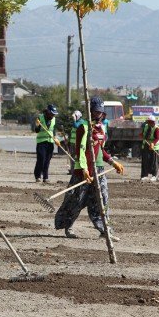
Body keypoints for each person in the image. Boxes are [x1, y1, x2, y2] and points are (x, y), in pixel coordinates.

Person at [55, 97, 124, 239]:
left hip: (98, 170)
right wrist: (85, 169)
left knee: (101, 199)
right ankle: (68, 227)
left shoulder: (101, 128)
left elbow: (100, 151)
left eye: (100, 112)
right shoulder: (83, 127)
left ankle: (105, 230)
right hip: (83, 171)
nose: (98, 115)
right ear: (90, 111)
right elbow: (79, 150)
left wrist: (112, 162)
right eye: (95, 111)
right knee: (76, 200)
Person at [34, 104, 61, 183]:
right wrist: (38, 125)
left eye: (54, 114)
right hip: (41, 142)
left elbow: (53, 130)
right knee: (41, 159)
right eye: (52, 113)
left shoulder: (53, 119)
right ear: (48, 112)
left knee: (47, 160)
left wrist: (55, 138)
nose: (53, 115)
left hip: (50, 142)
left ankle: (45, 177)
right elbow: (36, 130)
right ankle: (38, 176)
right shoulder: (40, 117)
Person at [140, 114, 159, 181]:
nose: (149, 123)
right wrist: (141, 135)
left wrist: (153, 144)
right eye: (148, 122)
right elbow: (143, 133)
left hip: (154, 146)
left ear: (153, 122)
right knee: (145, 161)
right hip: (146, 145)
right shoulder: (146, 126)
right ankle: (144, 175)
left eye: (150, 122)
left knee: (154, 161)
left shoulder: (156, 128)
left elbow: (157, 138)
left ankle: (154, 175)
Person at [66, 110, 82, 175]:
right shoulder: (75, 122)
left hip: (77, 143)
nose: (74, 117)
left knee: (76, 157)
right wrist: (68, 140)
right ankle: (72, 170)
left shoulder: (81, 122)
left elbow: (77, 126)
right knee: (72, 157)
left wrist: (74, 120)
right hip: (72, 143)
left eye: (75, 116)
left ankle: (76, 170)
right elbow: (72, 133)